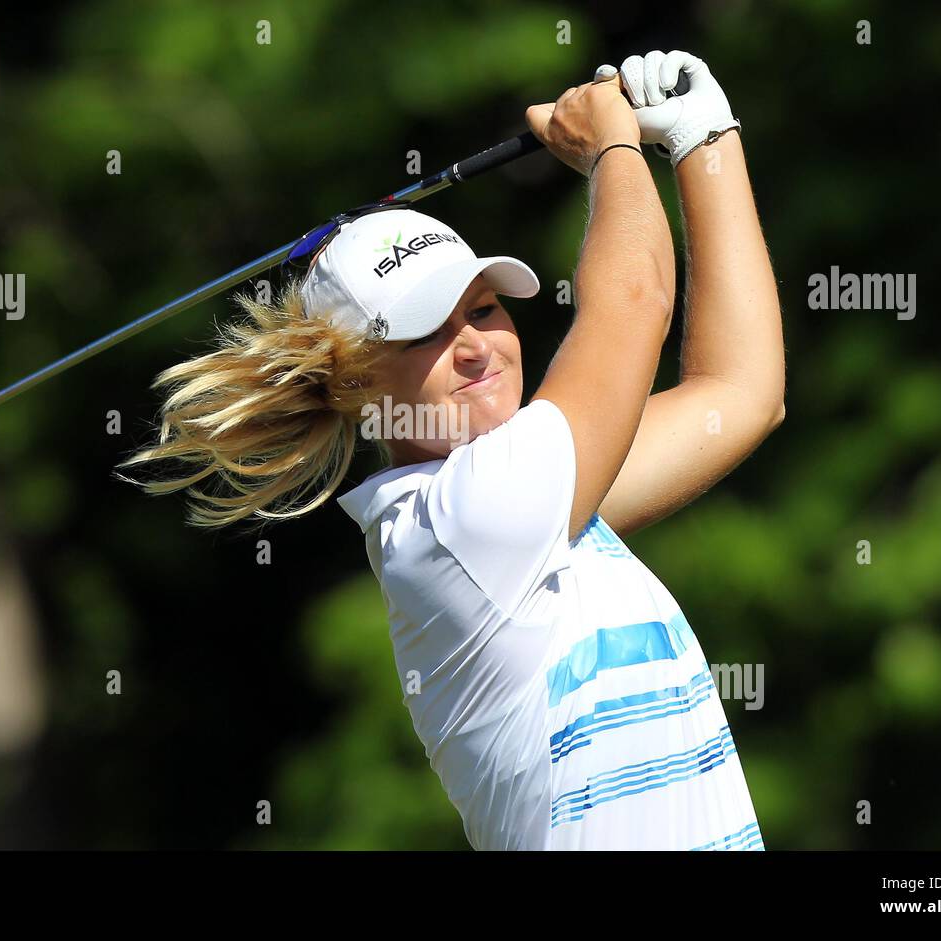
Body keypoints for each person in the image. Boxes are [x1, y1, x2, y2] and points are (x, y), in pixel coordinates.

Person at [117, 49, 785, 850]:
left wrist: (705, 137)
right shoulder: (458, 525)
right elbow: (636, 299)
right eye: (427, 330)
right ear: (355, 385)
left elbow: (741, 393)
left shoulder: (544, 500)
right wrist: (611, 142)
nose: (477, 346)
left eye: (486, 307)